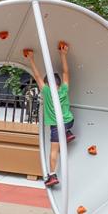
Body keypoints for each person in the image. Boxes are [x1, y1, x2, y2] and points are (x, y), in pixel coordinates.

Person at [40, 42, 74, 188]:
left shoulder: (47, 92)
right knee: (64, 129)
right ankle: (67, 133)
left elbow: (36, 75)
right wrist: (63, 55)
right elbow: (66, 73)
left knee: (54, 150)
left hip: (56, 126)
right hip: (69, 121)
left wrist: (31, 60)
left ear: (47, 84)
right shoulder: (64, 89)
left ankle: (52, 175)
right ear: (60, 83)